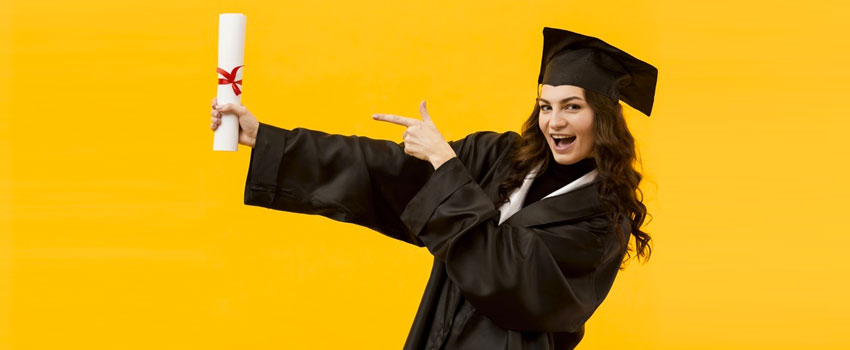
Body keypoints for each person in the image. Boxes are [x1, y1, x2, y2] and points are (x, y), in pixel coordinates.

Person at [208, 26, 657, 350]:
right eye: (545, 106)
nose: (553, 122)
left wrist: (447, 165)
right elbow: (387, 171)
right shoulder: (500, 157)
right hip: (437, 333)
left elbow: (510, 280)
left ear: (604, 118)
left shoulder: (601, 219)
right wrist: (267, 139)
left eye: (571, 107)